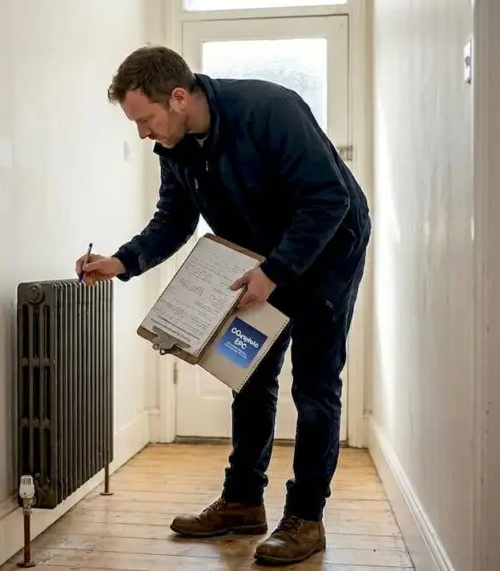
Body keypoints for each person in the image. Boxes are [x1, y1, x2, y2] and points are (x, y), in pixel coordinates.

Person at [75, 46, 370, 565]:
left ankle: (305, 518)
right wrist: (122, 262)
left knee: (315, 385)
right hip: (255, 261)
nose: (142, 134)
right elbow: (174, 219)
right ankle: (242, 502)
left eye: (145, 120)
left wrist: (275, 273)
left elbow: (329, 200)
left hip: (328, 253)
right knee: (248, 373)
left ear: (180, 97)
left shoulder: (270, 110)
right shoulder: (179, 144)